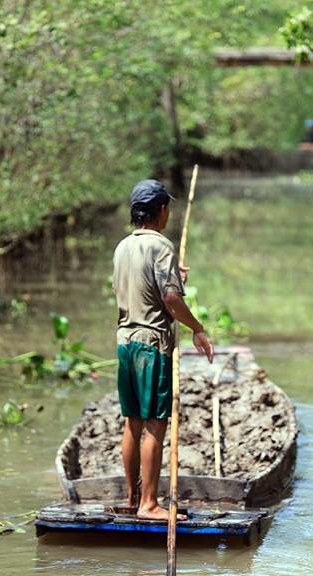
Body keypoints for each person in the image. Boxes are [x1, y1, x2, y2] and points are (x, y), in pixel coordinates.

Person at [112, 179, 213, 521]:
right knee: (156, 423)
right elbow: (170, 299)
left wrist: (174, 276)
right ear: (162, 211)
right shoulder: (161, 246)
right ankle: (149, 505)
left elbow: (144, 284)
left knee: (133, 423)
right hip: (153, 345)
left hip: (126, 343)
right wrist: (197, 328)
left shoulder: (123, 247)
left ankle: (131, 497)